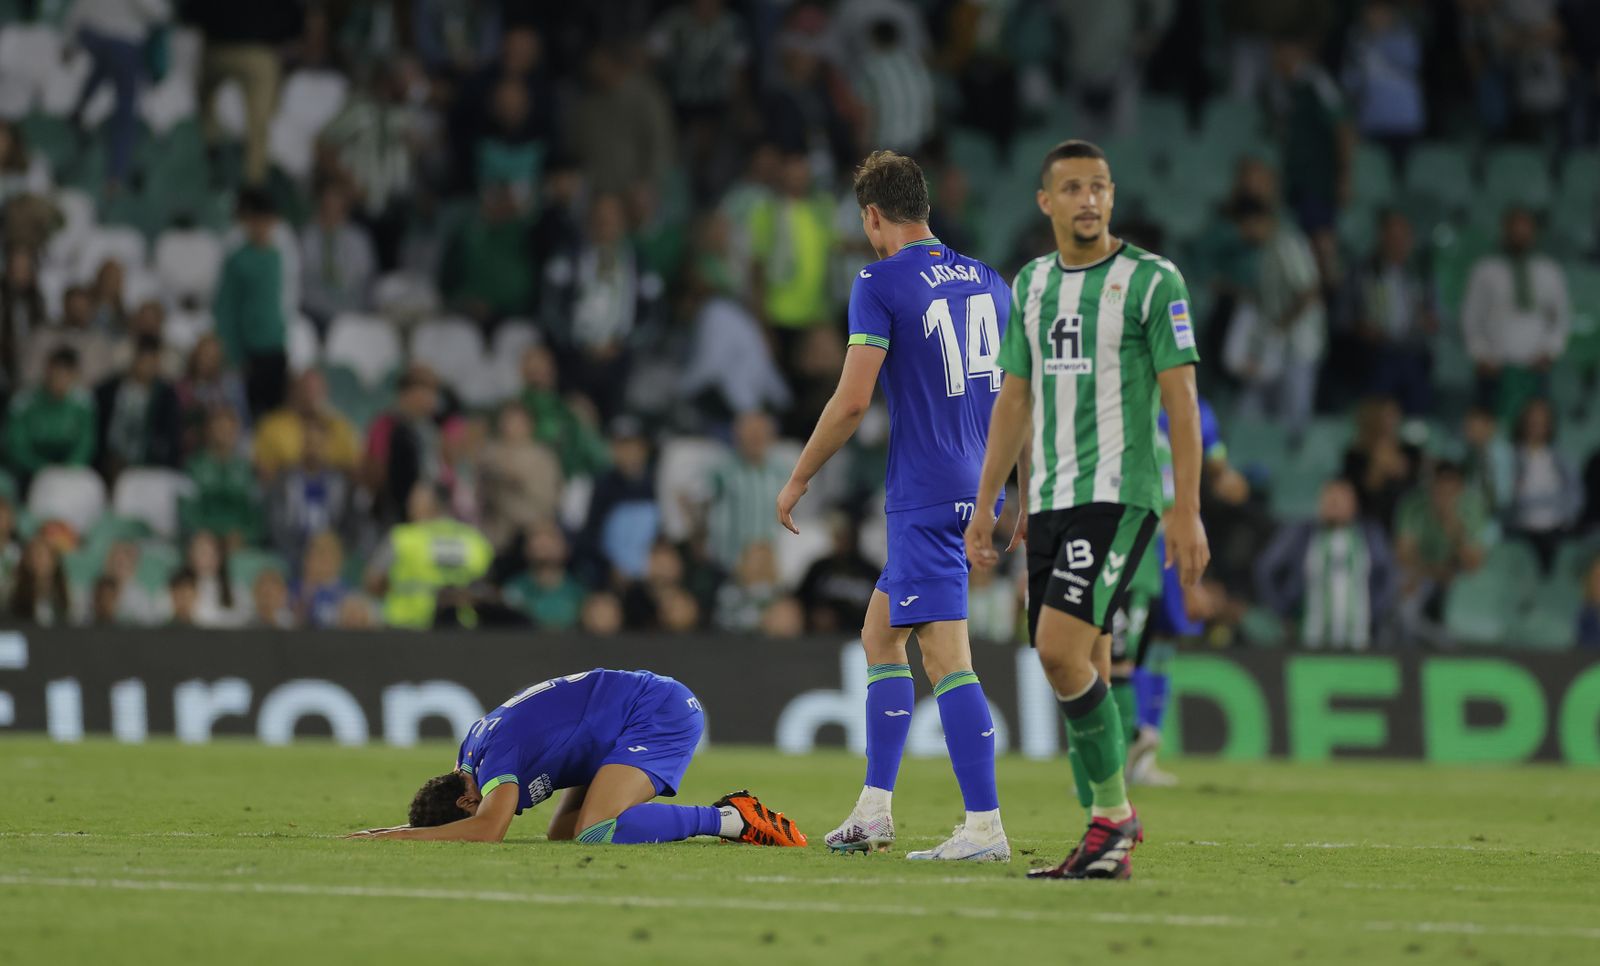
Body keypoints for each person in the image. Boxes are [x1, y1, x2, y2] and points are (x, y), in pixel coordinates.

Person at [965, 140, 1209, 880]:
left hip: (1119, 493)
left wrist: (1186, 508)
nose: (1088, 200)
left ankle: (1114, 817)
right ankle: (1102, 835)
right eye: (1072, 188)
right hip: (1049, 501)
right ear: (1045, 201)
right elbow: (1014, 398)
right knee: (1085, 657)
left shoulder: (1150, 279)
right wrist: (989, 504)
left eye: (1099, 186)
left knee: (1058, 651)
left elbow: (1182, 398)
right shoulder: (1032, 284)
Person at [777, 150, 1013, 862]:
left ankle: (984, 827)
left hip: (926, 486)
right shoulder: (991, 282)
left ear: (873, 216)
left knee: (946, 659)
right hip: (979, 483)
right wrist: (1018, 490)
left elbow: (851, 402)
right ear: (927, 207)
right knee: (882, 639)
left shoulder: (879, 282)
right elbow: (1015, 397)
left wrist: (799, 476)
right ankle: (874, 810)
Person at [345, 669, 805, 848]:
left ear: (465, 802)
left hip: (655, 713)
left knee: (594, 832)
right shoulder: (469, 753)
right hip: (613, 726)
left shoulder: (494, 761)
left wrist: (390, 838)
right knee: (562, 832)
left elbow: (488, 830)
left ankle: (730, 818)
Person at [1256, 478, 1398, 649]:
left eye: (1341, 499)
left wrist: (1375, 613)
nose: (1335, 504)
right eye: (1330, 498)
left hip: (1361, 639)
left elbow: (1388, 575)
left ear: (1354, 504)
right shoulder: (1301, 533)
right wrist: (1283, 610)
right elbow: (1266, 569)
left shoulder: (1369, 534)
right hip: (1308, 637)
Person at [1461, 206, 1571, 421]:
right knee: (1490, 427)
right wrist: (1481, 355)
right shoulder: (1485, 270)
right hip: (1495, 366)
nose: (1519, 236)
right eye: (1514, 230)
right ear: (1505, 231)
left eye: (1525, 230)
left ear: (1534, 233)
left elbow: (1561, 318)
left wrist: (1550, 351)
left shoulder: (1550, 271)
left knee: (1533, 427)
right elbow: (1471, 317)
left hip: (1535, 367)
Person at [364, 483, 493, 630]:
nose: (408, 504)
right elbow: (487, 584)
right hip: (462, 629)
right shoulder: (475, 540)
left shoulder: (402, 538)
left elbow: (372, 582)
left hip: (406, 628)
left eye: (414, 499)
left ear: (428, 504)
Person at [214, 189, 289, 417]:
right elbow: (225, 309)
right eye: (257, 221)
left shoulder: (277, 257)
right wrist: (235, 354)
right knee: (248, 414)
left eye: (267, 221)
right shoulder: (237, 261)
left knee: (275, 414)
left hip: (275, 348)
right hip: (249, 351)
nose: (262, 227)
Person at [1504, 398, 1582, 571]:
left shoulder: (1561, 458)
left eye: (1541, 421)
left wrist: (1565, 517)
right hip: (1520, 531)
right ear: (1523, 422)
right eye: (1532, 421)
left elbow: (1575, 494)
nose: (1536, 426)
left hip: (1555, 530)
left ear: (1549, 425)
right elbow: (1510, 498)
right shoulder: (1510, 456)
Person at [5, 346, 96, 494]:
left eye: (66, 374)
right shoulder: (23, 402)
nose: (60, 379)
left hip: (68, 473)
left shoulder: (83, 404)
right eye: (56, 372)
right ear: (47, 371)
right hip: (29, 472)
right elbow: (16, 445)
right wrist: (41, 468)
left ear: (75, 375)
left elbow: (85, 443)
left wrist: (69, 468)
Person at [94, 334, 182, 481]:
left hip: (149, 462)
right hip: (111, 461)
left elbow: (169, 437)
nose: (146, 366)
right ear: (134, 360)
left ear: (157, 363)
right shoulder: (108, 390)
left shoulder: (166, 396)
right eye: (143, 360)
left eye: (151, 361)